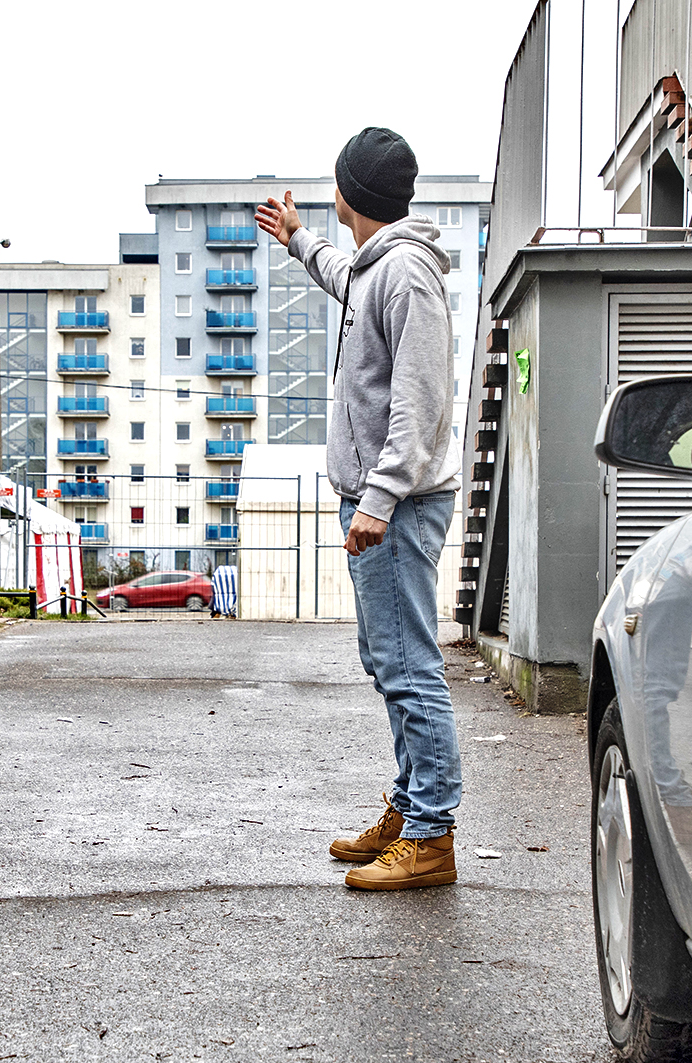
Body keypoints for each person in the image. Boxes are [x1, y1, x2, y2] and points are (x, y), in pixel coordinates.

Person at [255, 126, 462, 892]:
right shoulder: (378, 266)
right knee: (389, 665)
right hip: (379, 506)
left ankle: (432, 836)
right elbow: (346, 276)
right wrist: (299, 240)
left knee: (410, 669)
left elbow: (420, 400)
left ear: (352, 194)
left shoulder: (406, 274)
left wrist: (378, 499)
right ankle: (411, 814)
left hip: (396, 511)